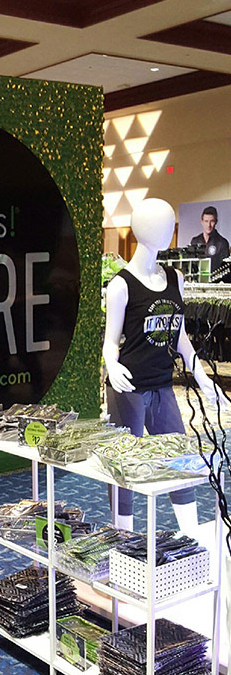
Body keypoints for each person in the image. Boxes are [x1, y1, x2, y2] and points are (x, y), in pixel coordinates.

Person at [103, 198, 228, 534]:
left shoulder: (176, 278)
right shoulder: (121, 285)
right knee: (124, 466)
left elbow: (180, 335)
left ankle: (190, 536)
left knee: (179, 460)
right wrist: (111, 365)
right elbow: (110, 341)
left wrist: (201, 375)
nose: (163, 229)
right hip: (128, 387)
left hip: (162, 384)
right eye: (157, 222)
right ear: (139, 228)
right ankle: (122, 538)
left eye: (167, 222)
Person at [190, 206, 230, 275]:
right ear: (202, 222)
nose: (208, 225)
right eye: (206, 221)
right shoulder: (195, 241)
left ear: (216, 222)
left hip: (216, 280)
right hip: (198, 280)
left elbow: (225, 269)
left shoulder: (222, 243)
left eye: (212, 221)